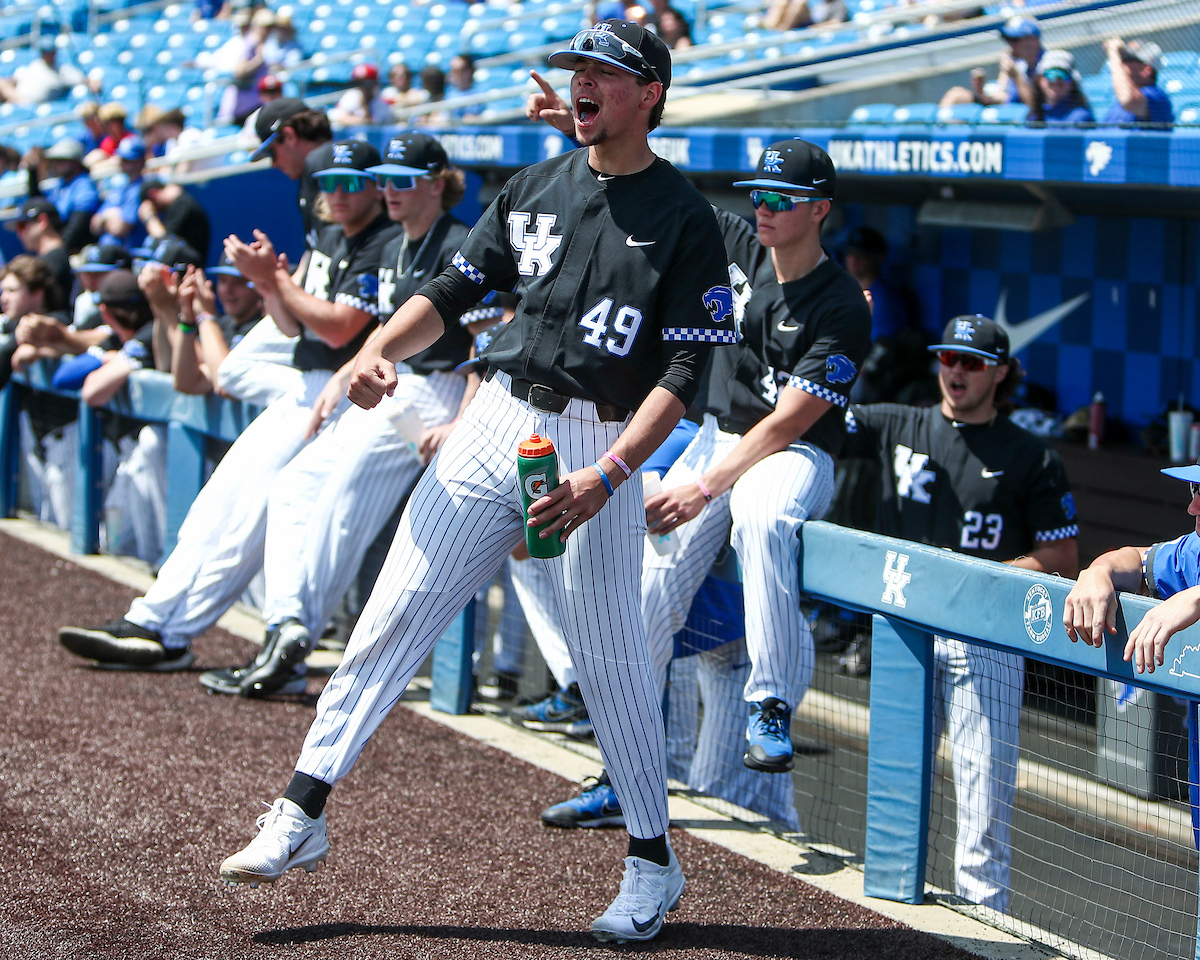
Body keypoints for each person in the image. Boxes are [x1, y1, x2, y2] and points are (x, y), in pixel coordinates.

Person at [218, 20, 734, 945]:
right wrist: (377, 349)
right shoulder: (533, 185)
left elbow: (687, 376)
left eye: (604, 73)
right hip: (493, 416)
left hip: (597, 437)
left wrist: (612, 474)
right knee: (392, 613)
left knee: (612, 662)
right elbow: (449, 296)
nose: (582, 84)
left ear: (649, 91)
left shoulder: (688, 218)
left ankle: (654, 863)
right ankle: (300, 812)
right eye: (577, 69)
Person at [57, 140, 399, 673]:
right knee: (216, 505)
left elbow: (339, 329)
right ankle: (152, 619)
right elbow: (293, 325)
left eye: (351, 183)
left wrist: (275, 280)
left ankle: (176, 633)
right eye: (328, 184)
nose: (336, 195)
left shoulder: (386, 240)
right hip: (304, 384)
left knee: (248, 526)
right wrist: (268, 284)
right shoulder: (332, 233)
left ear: (376, 186)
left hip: (347, 396)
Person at [197, 132, 472, 697]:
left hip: (438, 389)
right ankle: (287, 629)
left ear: (437, 182)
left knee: (345, 501)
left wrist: (462, 419)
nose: (389, 191)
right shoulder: (397, 242)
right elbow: (383, 328)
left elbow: (486, 342)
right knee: (295, 484)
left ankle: (292, 648)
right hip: (394, 381)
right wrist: (350, 372)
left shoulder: (459, 243)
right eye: (385, 179)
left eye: (404, 180)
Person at [843, 314, 1079, 913]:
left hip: (985, 635)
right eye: (948, 358)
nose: (956, 371)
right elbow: (812, 416)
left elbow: (1061, 557)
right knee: (899, 784)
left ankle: (984, 923)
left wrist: (983, 579)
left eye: (971, 363)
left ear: (1000, 372)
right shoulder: (898, 421)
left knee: (984, 795)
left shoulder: (1032, 456)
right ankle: (892, 914)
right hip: (905, 630)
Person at [1065, 460, 1200, 674]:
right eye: (1196, 489)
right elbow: (1137, 560)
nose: (1193, 509)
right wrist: (1098, 572)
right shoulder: (1193, 551)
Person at [249, 99, 333, 251]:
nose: (273, 164)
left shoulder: (331, 177)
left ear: (289, 136)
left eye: (272, 153)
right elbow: (313, 256)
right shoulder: (306, 181)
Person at [940, 16, 1042, 111]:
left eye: (1015, 40)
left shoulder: (1046, 66)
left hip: (1026, 120)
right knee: (957, 95)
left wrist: (1016, 77)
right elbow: (1001, 94)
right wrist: (981, 93)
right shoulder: (1016, 61)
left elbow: (1034, 111)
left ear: (1032, 41)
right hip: (1007, 110)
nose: (1011, 45)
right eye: (1008, 40)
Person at [841, 225, 910, 343]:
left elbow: (876, 346)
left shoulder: (885, 299)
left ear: (878, 257)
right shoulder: (838, 291)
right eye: (851, 253)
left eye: (862, 254)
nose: (854, 259)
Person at [9, 197, 73, 301]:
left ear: (42, 221)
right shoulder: (52, 257)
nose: (19, 234)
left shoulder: (54, 258)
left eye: (22, 226)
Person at [90, 137, 148, 250]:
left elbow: (120, 228)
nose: (123, 163)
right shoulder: (119, 187)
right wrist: (109, 215)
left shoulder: (141, 188)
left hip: (128, 254)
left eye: (128, 160)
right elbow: (94, 225)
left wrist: (105, 218)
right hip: (105, 250)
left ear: (140, 162)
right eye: (122, 158)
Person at [44, 138, 100, 253]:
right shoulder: (60, 185)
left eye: (62, 160)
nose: (56, 165)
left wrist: (61, 249)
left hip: (80, 248)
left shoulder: (84, 184)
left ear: (75, 162)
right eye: (55, 161)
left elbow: (80, 222)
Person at [1102, 37, 1173, 126]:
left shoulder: (1156, 96)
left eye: (1127, 59)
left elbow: (1128, 99)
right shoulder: (1118, 103)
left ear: (1146, 70)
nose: (1121, 64)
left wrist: (1114, 54)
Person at [137, 179, 212, 261]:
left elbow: (163, 241)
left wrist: (149, 217)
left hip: (187, 268)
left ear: (153, 194)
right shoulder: (179, 203)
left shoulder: (182, 204)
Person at [0, 36, 87, 106]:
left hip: (31, 103)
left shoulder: (62, 71)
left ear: (54, 52)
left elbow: (83, 80)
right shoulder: (36, 64)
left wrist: (91, 82)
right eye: (44, 51)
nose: (46, 55)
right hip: (17, 96)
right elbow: (16, 79)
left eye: (49, 52)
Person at [1029, 50, 1093, 125]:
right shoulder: (1034, 116)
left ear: (1072, 82)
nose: (1056, 80)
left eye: (1063, 75)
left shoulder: (1080, 117)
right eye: (1050, 74)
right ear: (1040, 80)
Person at [764, 0, 847, 32]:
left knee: (799, 2)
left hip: (812, 24)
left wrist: (814, 27)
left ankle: (783, 30)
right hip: (809, 21)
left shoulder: (839, 4)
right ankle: (771, 27)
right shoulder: (820, 3)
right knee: (782, 2)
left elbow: (836, 23)